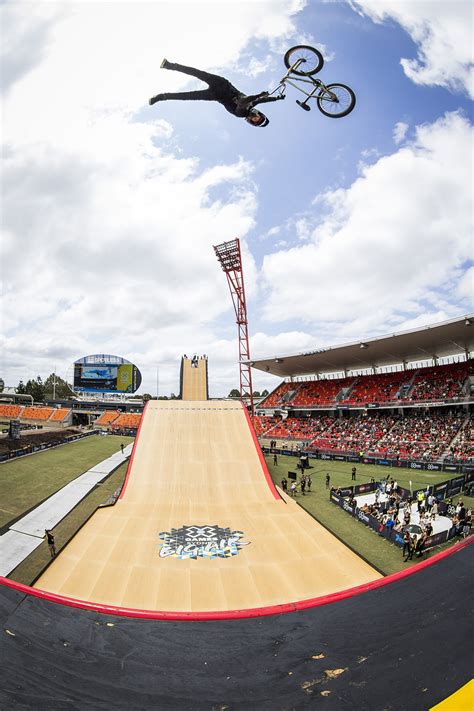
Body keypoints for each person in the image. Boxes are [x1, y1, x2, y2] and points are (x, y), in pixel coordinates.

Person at [149, 59, 284, 127]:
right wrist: (277, 98)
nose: (255, 117)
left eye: (255, 120)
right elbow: (262, 100)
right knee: (197, 73)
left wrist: (259, 95)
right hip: (223, 84)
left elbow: (243, 102)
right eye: (259, 117)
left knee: (188, 96)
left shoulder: (241, 113)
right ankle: (169, 65)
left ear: (250, 121)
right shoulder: (254, 103)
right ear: (260, 114)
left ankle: (162, 97)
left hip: (216, 95)